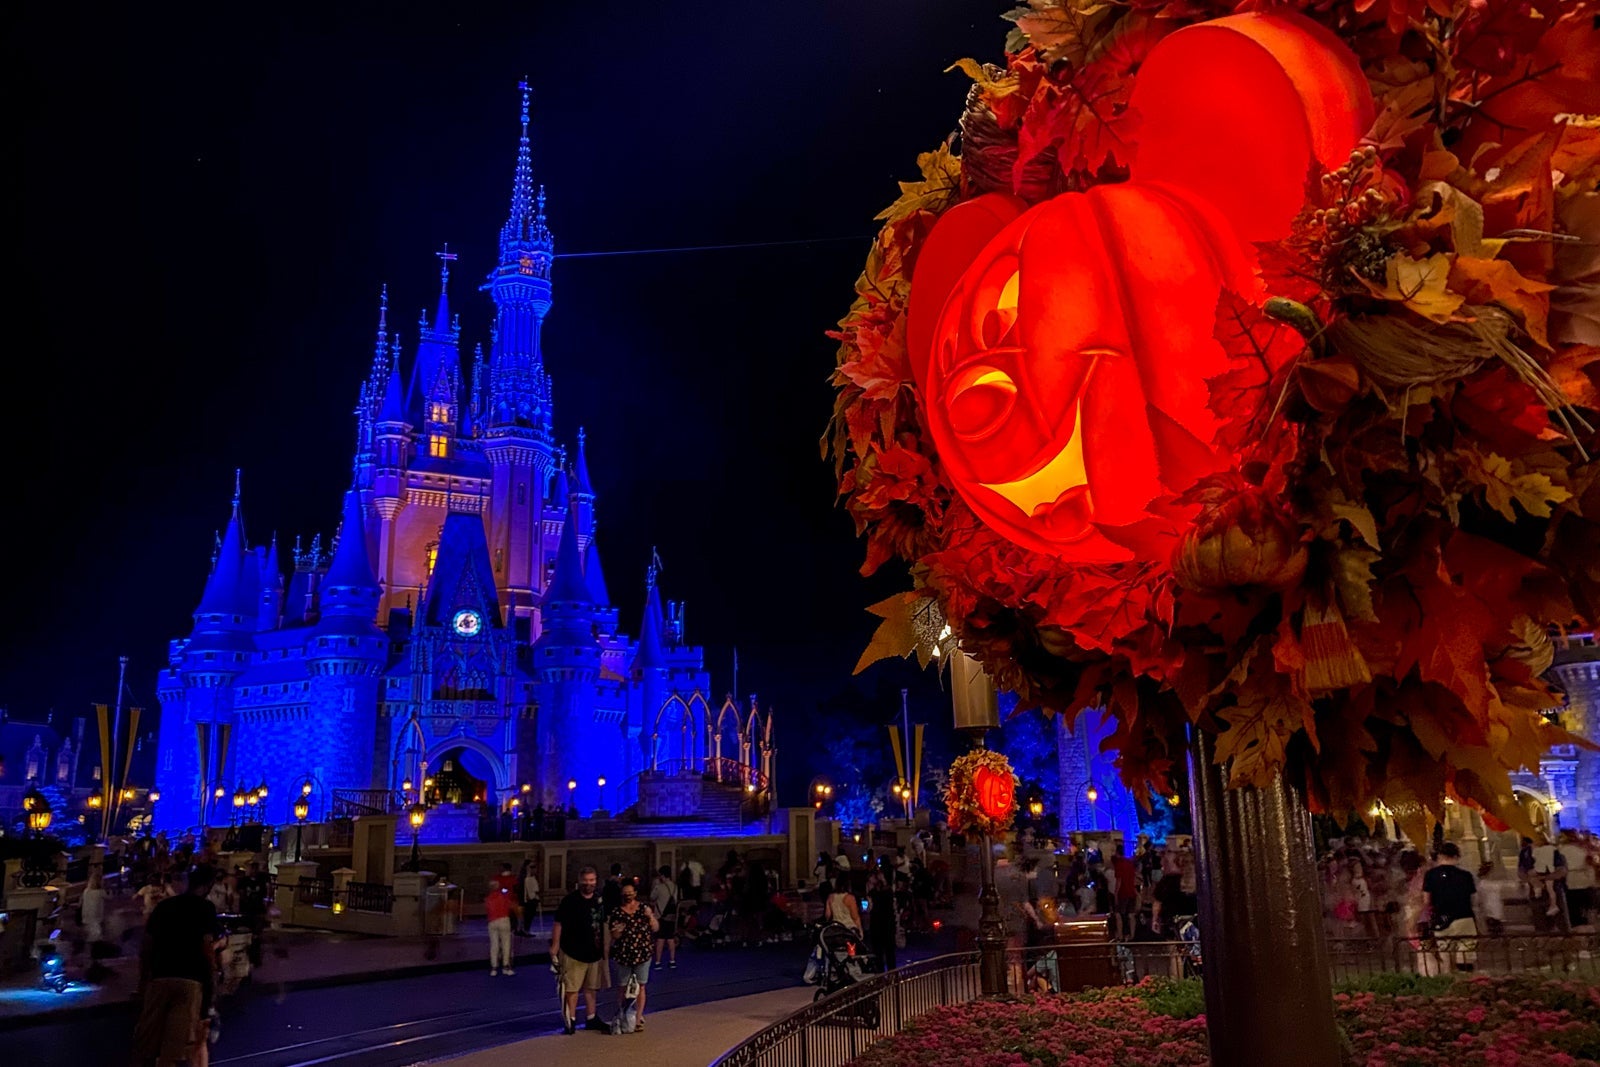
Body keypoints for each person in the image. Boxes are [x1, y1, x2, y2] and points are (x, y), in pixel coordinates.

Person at [132, 865, 219, 1067]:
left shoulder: (165, 906)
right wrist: (212, 983)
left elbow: (146, 946)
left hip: (160, 976)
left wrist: (143, 980)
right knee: (174, 1049)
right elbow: (207, 947)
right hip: (190, 981)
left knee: (144, 1045)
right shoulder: (206, 908)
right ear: (208, 886)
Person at [551, 867, 608, 1034]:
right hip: (573, 951)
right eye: (585, 880)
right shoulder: (570, 901)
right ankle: (571, 1020)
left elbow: (603, 923)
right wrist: (555, 945)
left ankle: (591, 1017)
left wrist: (605, 948)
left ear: (596, 881)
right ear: (579, 881)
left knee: (591, 988)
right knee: (572, 989)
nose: (588, 884)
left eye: (591, 880)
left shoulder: (599, 900)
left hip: (594, 952)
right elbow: (558, 923)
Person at [609, 881, 658, 1031]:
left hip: (642, 952)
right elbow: (614, 935)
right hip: (623, 954)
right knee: (622, 986)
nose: (628, 896)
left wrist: (651, 917)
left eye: (630, 893)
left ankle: (637, 1018)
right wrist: (617, 931)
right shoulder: (617, 912)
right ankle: (622, 1016)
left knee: (641, 986)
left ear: (635, 893)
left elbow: (655, 928)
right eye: (625, 893)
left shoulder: (643, 908)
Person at [1423, 843, 1477, 971]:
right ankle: (1465, 976)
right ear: (1456, 856)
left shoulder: (1430, 875)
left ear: (1439, 856)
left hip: (1441, 919)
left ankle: (1447, 977)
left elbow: (1426, 900)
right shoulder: (1466, 875)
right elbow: (1474, 900)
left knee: (1444, 954)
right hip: (1464, 918)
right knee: (1465, 953)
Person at [865, 870, 897, 971]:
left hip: (876, 924)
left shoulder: (872, 893)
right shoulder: (889, 892)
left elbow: (869, 908)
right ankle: (892, 974)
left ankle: (881, 974)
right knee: (890, 952)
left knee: (878, 952)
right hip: (888, 924)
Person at [485, 877, 516, 976]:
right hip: (504, 920)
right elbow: (510, 899)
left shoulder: (488, 898)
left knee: (494, 945)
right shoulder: (503, 895)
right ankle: (506, 966)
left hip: (492, 921)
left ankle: (494, 968)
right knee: (506, 944)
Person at [650, 866, 679, 968]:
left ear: (662, 875)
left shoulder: (659, 887)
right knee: (670, 939)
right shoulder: (675, 886)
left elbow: (652, 897)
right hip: (671, 916)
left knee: (660, 939)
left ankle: (658, 962)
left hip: (661, 916)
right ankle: (672, 960)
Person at [1110, 846, 1139, 941]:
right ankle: (1132, 935)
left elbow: (1119, 881)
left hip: (1123, 892)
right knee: (1131, 915)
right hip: (1131, 891)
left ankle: (1120, 935)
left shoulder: (1119, 864)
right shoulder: (1130, 863)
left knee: (1118, 914)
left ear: (1117, 853)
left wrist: (1115, 894)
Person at [81, 869, 108, 945]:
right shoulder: (101, 892)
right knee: (95, 938)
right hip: (96, 918)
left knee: (89, 936)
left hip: (86, 917)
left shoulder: (86, 891)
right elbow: (109, 898)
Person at [519, 860, 542, 935]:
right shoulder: (526, 878)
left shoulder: (532, 878)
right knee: (528, 916)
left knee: (529, 916)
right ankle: (525, 930)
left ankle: (526, 929)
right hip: (529, 900)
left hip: (532, 899)